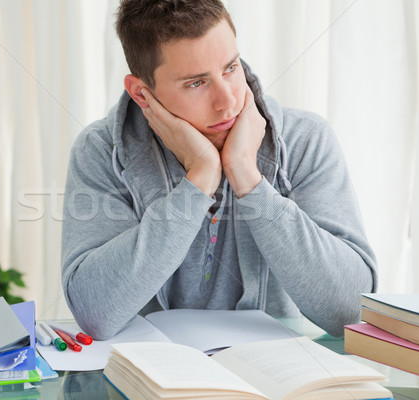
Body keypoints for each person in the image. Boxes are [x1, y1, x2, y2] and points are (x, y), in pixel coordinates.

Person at [61, 0, 377, 340]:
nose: (227, 101)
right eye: (196, 83)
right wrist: (199, 180)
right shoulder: (100, 150)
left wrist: (247, 176)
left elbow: (351, 312)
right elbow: (96, 314)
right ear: (142, 93)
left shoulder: (305, 140)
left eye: (230, 68)